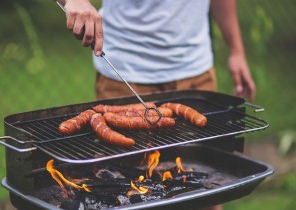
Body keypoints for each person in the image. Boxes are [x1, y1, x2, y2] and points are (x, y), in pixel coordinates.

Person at [59, 0, 255, 209]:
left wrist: (237, 50)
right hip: (124, 73)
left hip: (196, 71)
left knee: (203, 192)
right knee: (125, 190)